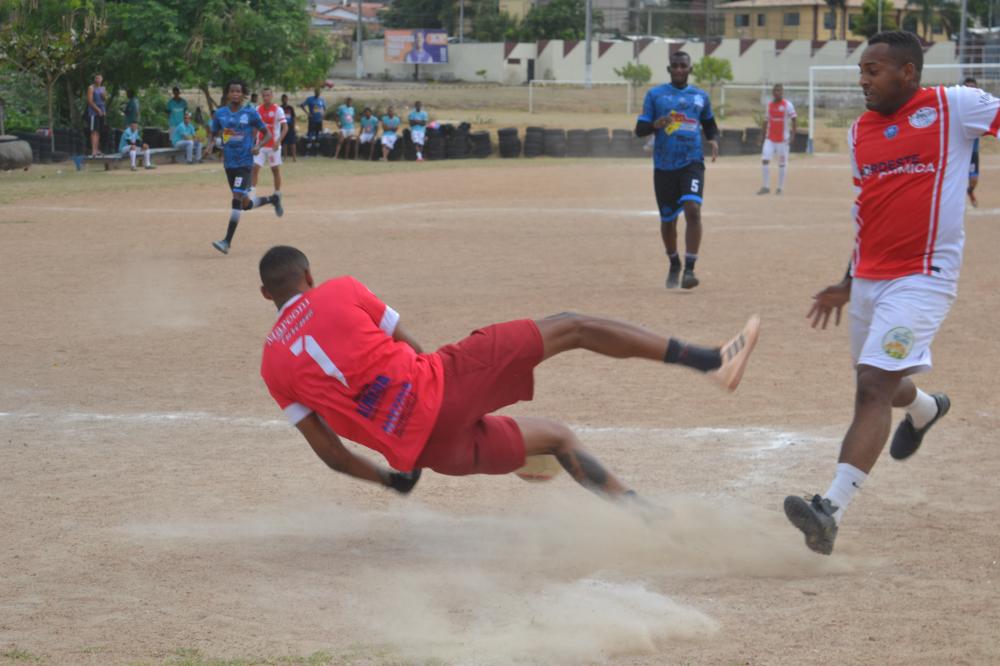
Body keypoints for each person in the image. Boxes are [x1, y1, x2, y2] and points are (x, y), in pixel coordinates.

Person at [257, 245, 760, 505]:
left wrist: (393, 480)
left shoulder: (272, 366)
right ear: (310, 277)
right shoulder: (340, 289)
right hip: (444, 385)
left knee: (558, 440)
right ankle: (710, 361)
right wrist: (455, 394)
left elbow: (332, 455)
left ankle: (654, 523)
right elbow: (411, 345)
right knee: (573, 326)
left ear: (267, 296)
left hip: (428, 451)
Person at [783, 31, 1000, 555]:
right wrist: (846, 281)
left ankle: (829, 510)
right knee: (879, 380)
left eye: (873, 70)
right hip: (869, 279)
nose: (863, 80)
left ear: (908, 72)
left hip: (923, 278)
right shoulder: (860, 131)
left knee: (873, 386)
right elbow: (869, 214)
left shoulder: (953, 106)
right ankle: (925, 408)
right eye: (861, 70)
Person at [634, 51, 719, 291]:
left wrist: (713, 139)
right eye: (675, 66)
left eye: (683, 66)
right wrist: (655, 124)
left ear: (690, 69)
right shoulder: (655, 95)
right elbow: (639, 129)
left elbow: (709, 123)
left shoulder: (700, 97)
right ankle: (674, 262)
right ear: (669, 69)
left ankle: (690, 269)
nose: (679, 69)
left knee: (693, 210)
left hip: (692, 162)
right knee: (668, 221)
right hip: (664, 166)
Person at [206, 80, 281, 255]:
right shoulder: (220, 114)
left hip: (245, 163)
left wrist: (258, 146)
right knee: (245, 204)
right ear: (227, 94)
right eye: (232, 91)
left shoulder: (250, 113)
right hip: (229, 163)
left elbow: (267, 133)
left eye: (238, 91)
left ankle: (226, 241)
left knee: (236, 197)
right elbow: (214, 132)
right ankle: (272, 199)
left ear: (242, 94)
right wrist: (210, 145)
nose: (235, 94)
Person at [758, 83, 797, 195]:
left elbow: (794, 119)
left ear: (782, 92)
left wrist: (793, 135)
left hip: (783, 140)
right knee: (765, 159)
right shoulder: (769, 105)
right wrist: (762, 136)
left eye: (779, 91)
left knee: (782, 163)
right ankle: (766, 187)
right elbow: (766, 121)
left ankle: (780, 188)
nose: (777, 93)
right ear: (773, 93)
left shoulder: (787, 105)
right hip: (770, 138)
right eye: (775, 91)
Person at [251, 87, 288, 198]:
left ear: (272, 96)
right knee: (255, 168)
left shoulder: (278, 110)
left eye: (268, 95)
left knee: (275, 169)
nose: (266, 97)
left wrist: (278, 141)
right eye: (264, 95)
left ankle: (277, 193)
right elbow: (255, 127)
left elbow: (285, 127)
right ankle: (251, 194)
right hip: (260, 145)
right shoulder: (258, 109)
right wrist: (252, 142)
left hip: (273, 146)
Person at [964, 76, 981, 207]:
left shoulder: (981, 107)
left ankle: (970, 191)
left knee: (974, 179)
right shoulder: (957, 106)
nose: (970, 90)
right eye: (968, 87)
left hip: (972, 151)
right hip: (958, 151)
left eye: (973, 87)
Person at [301, 88, 327, 157]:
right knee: (310, 135)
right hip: (312, 120)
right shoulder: (310, 99)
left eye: (319, 92)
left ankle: (317, 152)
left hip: (319, 120)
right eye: (317, 91)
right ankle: (307, 152)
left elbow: (324, 109)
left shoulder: (322, 100)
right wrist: (308, 113)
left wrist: (323, 115)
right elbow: (302, 105)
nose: (318, 93)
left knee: (318, 135)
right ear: (315, 92)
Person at [86, 73, 107, 158]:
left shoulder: (103, 88)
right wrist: (98, 110)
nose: (98, 80)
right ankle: (93, 150)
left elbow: (104, 99)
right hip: (93, 112)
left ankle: (97, 149)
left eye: (99, 78)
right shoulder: (91, 88)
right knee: (94, 131)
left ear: (102, 80)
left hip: (102, 112)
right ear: (94, 79)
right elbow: (90, 101)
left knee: (98, 131)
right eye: (96, 78)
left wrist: (104, 96)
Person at [280, 94, 298, 162]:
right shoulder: (280, 108)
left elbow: (294, 117)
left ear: (287, 99)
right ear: (282, 100)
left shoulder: (290, 108)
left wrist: (294, 126)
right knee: (284, 143)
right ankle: (285, 157)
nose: (284, 100)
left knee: (292, 143)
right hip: (283, 127)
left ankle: (294, 157)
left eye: (285, 99)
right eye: (283, 99)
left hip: (290, 127)